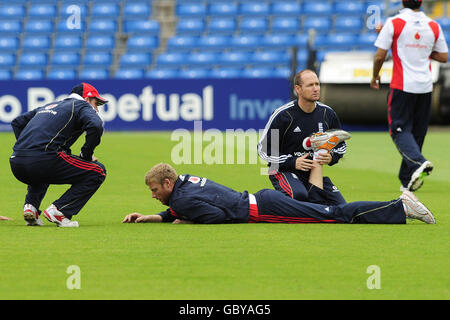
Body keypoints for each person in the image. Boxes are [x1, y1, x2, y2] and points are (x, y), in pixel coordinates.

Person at [122, 162, 435, 225]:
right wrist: (153, 217)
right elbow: (183, 206)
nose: (153, 196)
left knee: (335, 216)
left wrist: (187, 221)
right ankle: (399, 207)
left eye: (153, 192)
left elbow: (215, 216)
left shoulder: (182, 199)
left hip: (263, 210)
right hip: (262, 199)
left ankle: (400, 207)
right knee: (330, 211)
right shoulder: (185, 182)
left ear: (166, 184)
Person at [370, 0, 448, 192]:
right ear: (421, 3)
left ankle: (418, 162)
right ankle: (407, 180)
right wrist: (421, 49)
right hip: (425, 87)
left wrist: (375, 76)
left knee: (398, 129)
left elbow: (380, 56)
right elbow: (444, 56)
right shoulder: (433, 25)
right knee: (417, 133)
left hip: (402, 86)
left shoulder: (394, 22)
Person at [9, 83, 108, 227]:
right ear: (87, 99)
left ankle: (31, 207)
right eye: (96, 103)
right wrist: (86, 154)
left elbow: (17, 122)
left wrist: (28, 148)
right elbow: (96, 125)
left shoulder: (50, 105)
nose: (97, 109)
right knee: (98, 171)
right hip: (43, 160)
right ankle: (60, 211)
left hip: (16, 163)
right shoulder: (81, 106)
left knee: (41, 171)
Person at [257, 69, 348, 206]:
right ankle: (269, 202)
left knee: (341, 207)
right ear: (298, 89)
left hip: (313, 174)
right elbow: (263, 150)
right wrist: (293, 162)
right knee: (299, 197)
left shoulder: (327, 113)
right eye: (310, 85)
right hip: (284, 171)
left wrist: (332, 157)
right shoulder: (283, 115)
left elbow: (341, 145)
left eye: (317, 84)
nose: (316, 88)